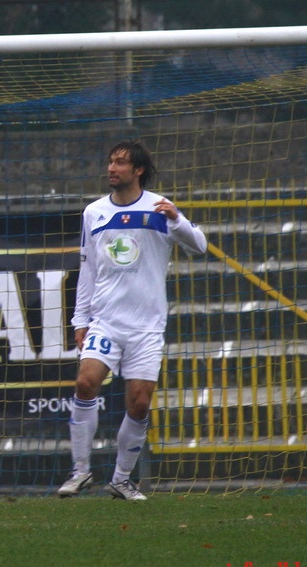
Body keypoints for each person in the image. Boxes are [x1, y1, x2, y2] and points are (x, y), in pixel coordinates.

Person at [57, 139, 208, 501]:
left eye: (120, 163)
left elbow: (199, 245)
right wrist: (81, 321)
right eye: (110, 162)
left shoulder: (160, 208)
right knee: (85, 382)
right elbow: (87, 269)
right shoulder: (93, 212)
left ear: (137, 170)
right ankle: (79, 472)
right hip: (106, 320)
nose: (112, 168)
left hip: (146, 326)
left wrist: (178, 219)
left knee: (139, 403)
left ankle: (122, 479)